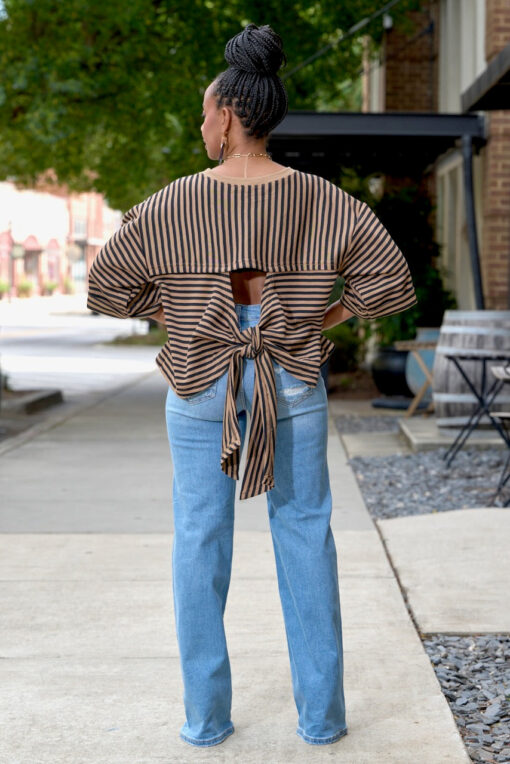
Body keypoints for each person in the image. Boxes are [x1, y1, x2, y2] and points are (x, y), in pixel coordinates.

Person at [87, 22, 417, 749]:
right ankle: (322, 719)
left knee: (199, 544)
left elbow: (107, 284)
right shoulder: (322, 201)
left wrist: (182, 314)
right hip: (291, 373)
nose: (202, 125)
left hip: (201, 380)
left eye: (206, 113)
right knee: (305, 537)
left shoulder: (174, 202)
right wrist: (316, 316)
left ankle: (206, 720)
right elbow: (391, 282)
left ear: (230, 115)